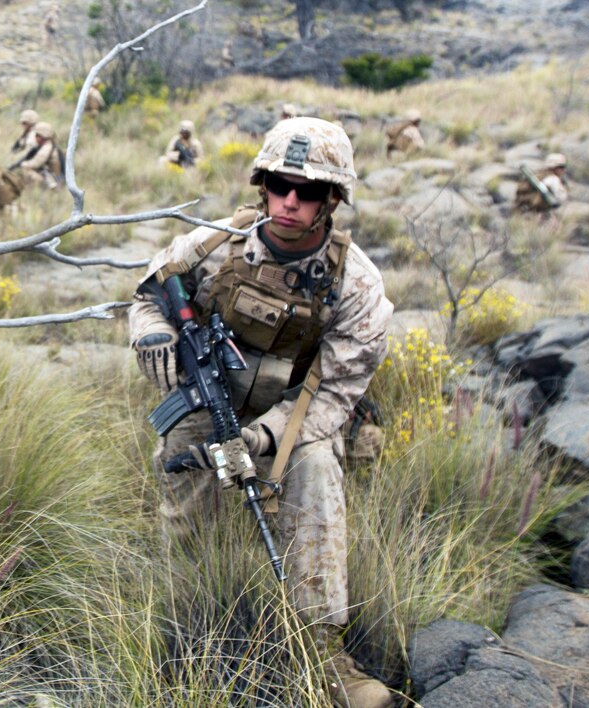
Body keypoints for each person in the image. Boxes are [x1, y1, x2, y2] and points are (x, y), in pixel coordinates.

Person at [129, 117, 394, 708]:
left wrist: (267, 440)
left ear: (333, 200)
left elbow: (334, 394)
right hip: (211, 396)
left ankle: (323, 651)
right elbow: (149, 291)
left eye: (309, 191)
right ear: (262, 185)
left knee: (315, 478)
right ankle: (184, 616)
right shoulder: (216, 243)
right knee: (183, 465)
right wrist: (153, 337)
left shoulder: (356, 285)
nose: (290, 201)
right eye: (278, 184)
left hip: (293, 411)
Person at [15, 121, 64, 189]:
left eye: (37, 135)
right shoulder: (47, 145)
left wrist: (22, 164)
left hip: (52, 179)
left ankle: (36, 189)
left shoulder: (47, 148)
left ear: (43, 136)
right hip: (49, 174)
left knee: (25, 170)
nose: (35, 137)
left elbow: (35, 164)